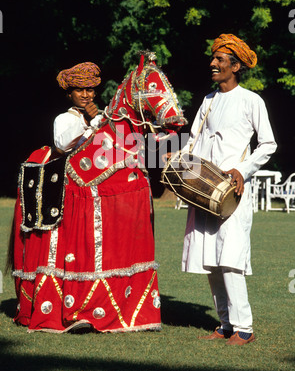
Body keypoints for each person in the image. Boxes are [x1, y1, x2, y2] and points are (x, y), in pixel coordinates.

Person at [10, 60, 162, 333]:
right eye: (80, 90)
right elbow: (63, 144)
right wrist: (92, 123)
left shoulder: (106, 116)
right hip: (71, 193)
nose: (87, 95)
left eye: (91, 90)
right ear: (69, 93)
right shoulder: (66, 118)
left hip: (97, 195)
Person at [182, 34, 277, 345]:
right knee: (211, 258)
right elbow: (193, 140)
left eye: (220, 60)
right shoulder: (208, 101)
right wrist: (180, 163)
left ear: (235, 66)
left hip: (233, 192)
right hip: (203, 189)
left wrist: (243, 169)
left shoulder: (252, 100)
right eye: (213, 59)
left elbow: (268, 144)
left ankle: (244, 328)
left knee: (231, 258)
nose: (213, 63)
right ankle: (224, 325)